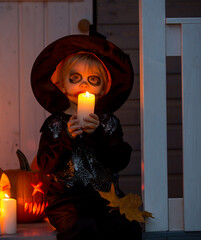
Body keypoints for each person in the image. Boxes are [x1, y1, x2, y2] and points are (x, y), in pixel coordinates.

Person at [31, 35, 142, 240]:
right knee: (83, 227)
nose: (84, 85)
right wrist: (66, 137)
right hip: (66, 202)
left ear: (103, 89)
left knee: (123, 226)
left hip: (106, 199)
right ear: (62, 85)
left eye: (93, 80)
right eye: (75, 78)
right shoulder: (55, 124)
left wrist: (98, 136)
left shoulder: (108, 122)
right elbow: (46, 165)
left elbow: (119, 161)